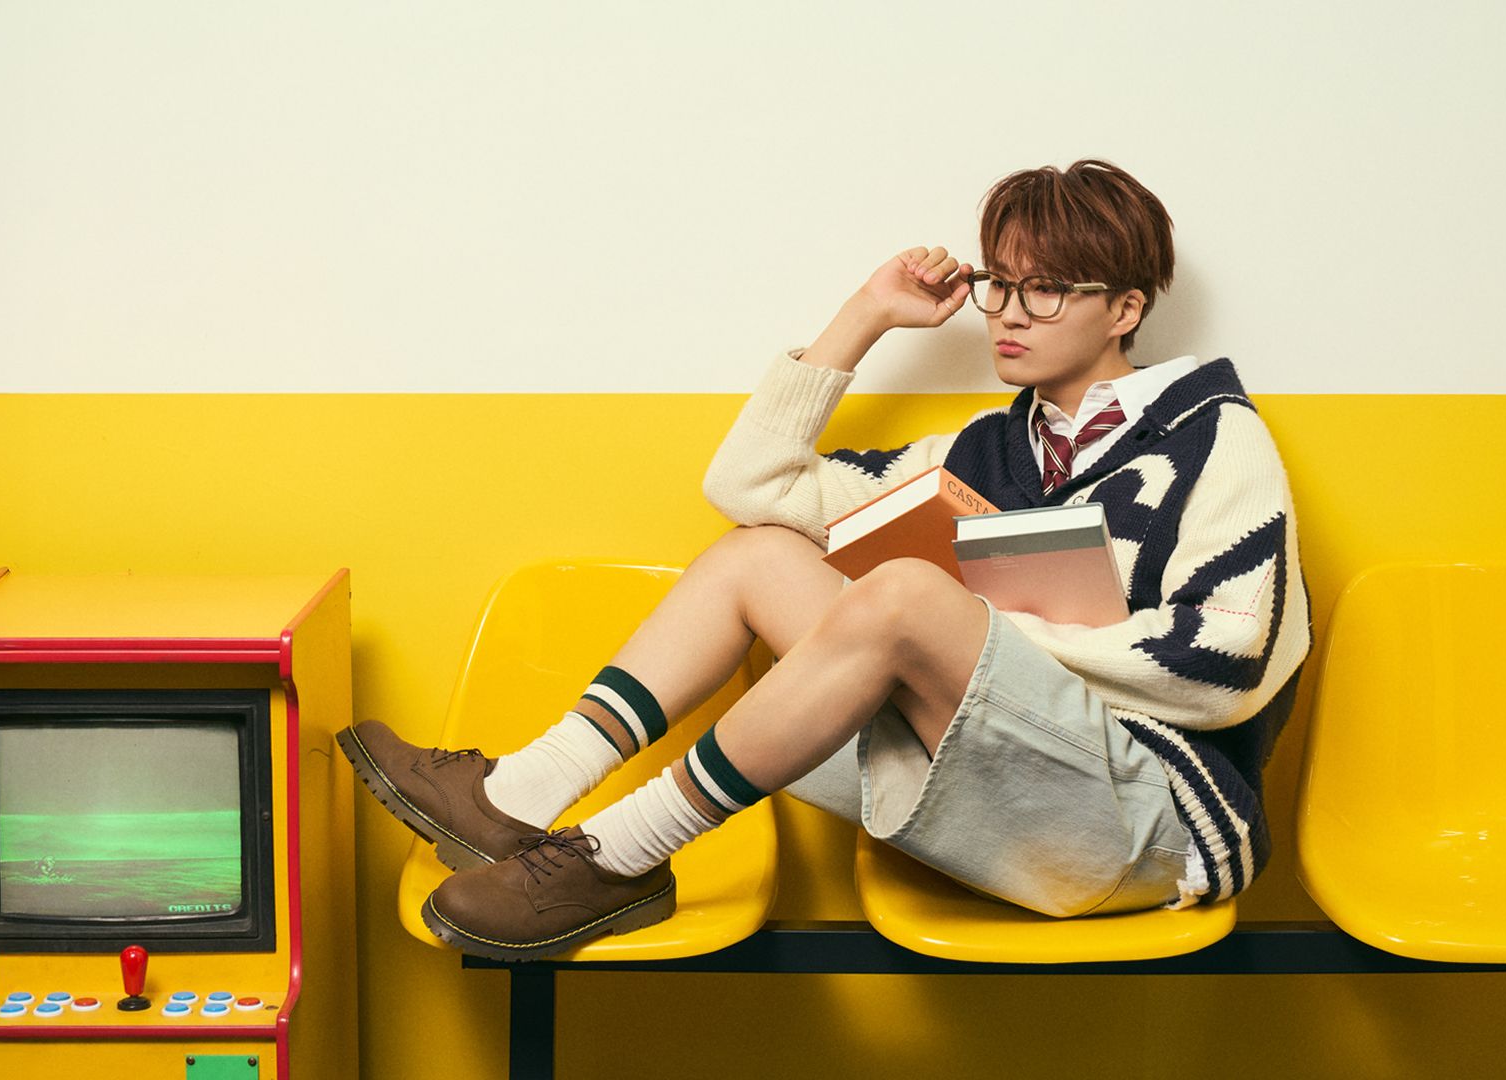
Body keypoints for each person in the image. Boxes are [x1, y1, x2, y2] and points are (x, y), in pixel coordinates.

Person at [337, 159, 1312, 961]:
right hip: (1001, 790)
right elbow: (751, 485)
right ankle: (519, 794)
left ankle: (617, 855)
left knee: (906, 598)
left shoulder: (1211, 437)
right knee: (756, 556)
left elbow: (1225, 665)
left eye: (1047, 289)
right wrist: (867, 313)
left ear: (1127, 308)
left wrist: (978, 637)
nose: (1010, 313)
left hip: (1147, 826)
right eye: (998, 284)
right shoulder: (982, 452)